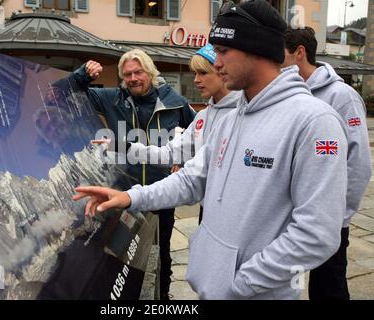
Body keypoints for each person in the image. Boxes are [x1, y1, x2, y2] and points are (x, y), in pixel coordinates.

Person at [72, 0, 349, 300]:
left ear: (257, 48)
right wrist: (130, 197)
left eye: (222, 51)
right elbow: (192, 179)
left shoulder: (314, 121)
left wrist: (240, 284)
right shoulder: (230, 119)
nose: (215, 64)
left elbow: (317, 233)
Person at [56, 49, 196, 300]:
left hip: (161, 192)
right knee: (120, 252)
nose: (133, 78)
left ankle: (162, 296)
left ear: (151, 73)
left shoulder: (174, 101)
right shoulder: (112, 98)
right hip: (122, 192)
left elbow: (199, 135)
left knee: (162, 249)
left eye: (138, 72)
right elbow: (59, 93)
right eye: (127, 74)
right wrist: (82, 75)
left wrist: (182, 161)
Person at [95, 44, 239, 224]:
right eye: (194, 73)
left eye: (202, 73)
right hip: (207, 209)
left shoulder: (243, 114)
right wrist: (120, 146)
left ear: (223, 72)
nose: (195, 80)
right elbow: (170, 154)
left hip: (236, 213)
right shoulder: (203, 117)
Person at [283, 26, 372, 300]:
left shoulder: (342, 96)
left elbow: (358, 164)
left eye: (279, 55)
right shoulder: (287, 95)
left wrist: (339, 215)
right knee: (290, 286)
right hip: (290, 217)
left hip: (328, 220)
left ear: (299, 54)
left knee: (328, 287)